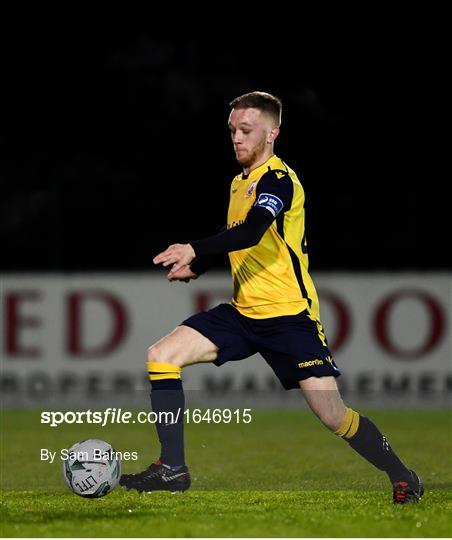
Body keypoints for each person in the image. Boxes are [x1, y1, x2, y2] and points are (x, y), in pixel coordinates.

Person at [120, 91, 423, 504]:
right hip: (243, 314)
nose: (237, 139)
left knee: (333, 416)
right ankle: (172, 468)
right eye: (232, 131)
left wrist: (194, 249)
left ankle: (403, 475)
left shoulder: (278, 180)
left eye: (246, 130)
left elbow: (251, 231)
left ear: (272, 133)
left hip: (289, 319)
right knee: (161, 355)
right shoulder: (238, 182)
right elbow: (240, 242)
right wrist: (201, 267)